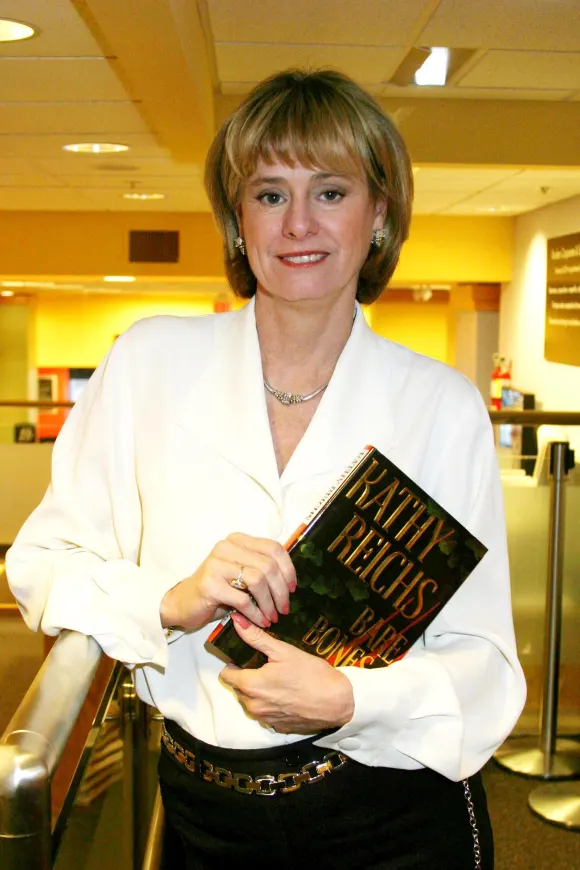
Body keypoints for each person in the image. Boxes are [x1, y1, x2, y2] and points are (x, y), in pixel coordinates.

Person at [6, 69, 525, 869]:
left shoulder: (441, 406)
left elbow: (486, 665)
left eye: (331, 192)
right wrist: (168, 600)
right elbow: (42, 564)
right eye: (270, 194)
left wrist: (350, 698)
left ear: (379, 214)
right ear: (238, 219)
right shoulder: (149, 364)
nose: (298, 224)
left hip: (390, 817)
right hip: (204, 815)